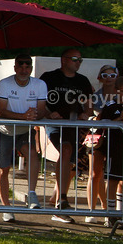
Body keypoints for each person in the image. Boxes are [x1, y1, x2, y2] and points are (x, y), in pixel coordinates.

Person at [40, 48, 94, 222]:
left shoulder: (83, 81)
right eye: (74, 59)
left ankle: (58, 199)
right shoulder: (49, 77)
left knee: (70, 161)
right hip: (55, 124)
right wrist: (49, 114)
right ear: (63, 60)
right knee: (66, 150)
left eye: (80, 60)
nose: (78, 63)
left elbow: (89, 105)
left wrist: (86, 114)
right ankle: (62, 199)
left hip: (74, 125)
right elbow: (38, 101)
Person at [0, 55, 48, 222]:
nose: (24, 69)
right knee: (4, 170)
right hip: (4, 131)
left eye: (28, 66)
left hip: (25, 130)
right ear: (15, 67)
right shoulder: (5, 83)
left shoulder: (39, 84)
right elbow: (2, 112)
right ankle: (6, 208)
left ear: (31, 68)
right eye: (21, 66)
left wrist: (34, 115)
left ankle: (31, 194)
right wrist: (24, 116)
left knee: (32, 154)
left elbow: (41, 110)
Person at [95, 75, 123, 222]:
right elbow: (103, 124)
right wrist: (116, 121)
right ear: (117, 91)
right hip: (114, 149)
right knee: (112, 179)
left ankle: (121, 213)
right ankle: (110, 214)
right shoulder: (110, 106)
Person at [86, 64, 119, 219]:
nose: (109, 79)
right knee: (94, 173)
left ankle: (111, 210)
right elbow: (87, 115)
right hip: (95, 136)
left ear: (117, 78)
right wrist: (96, 118)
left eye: (112, 75)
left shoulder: (122, 97)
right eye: (105, 75)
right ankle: (91, 211)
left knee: (116, 175)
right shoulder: (94, 96)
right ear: (100, 78)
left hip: (116, 137)